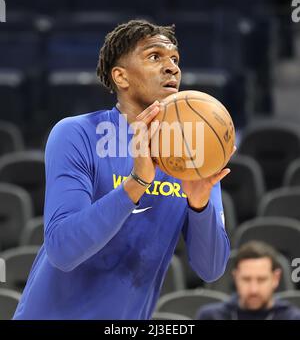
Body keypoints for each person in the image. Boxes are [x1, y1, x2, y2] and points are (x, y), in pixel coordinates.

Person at [14, 19, 232, 319]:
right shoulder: (77, 133)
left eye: (175, 60)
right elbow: (63, 251)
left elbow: (211, 269)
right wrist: (137, 182)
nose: (172, 68)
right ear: (121, 76)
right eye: (155, 57)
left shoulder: (195, 152)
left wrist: (200, 204)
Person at [196, 241, 300, 320]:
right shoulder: (210, 316)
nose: (253, 290)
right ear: (235, 277)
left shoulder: (292, 317)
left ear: (275, 278)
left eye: (261, 280)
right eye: (246, 279)